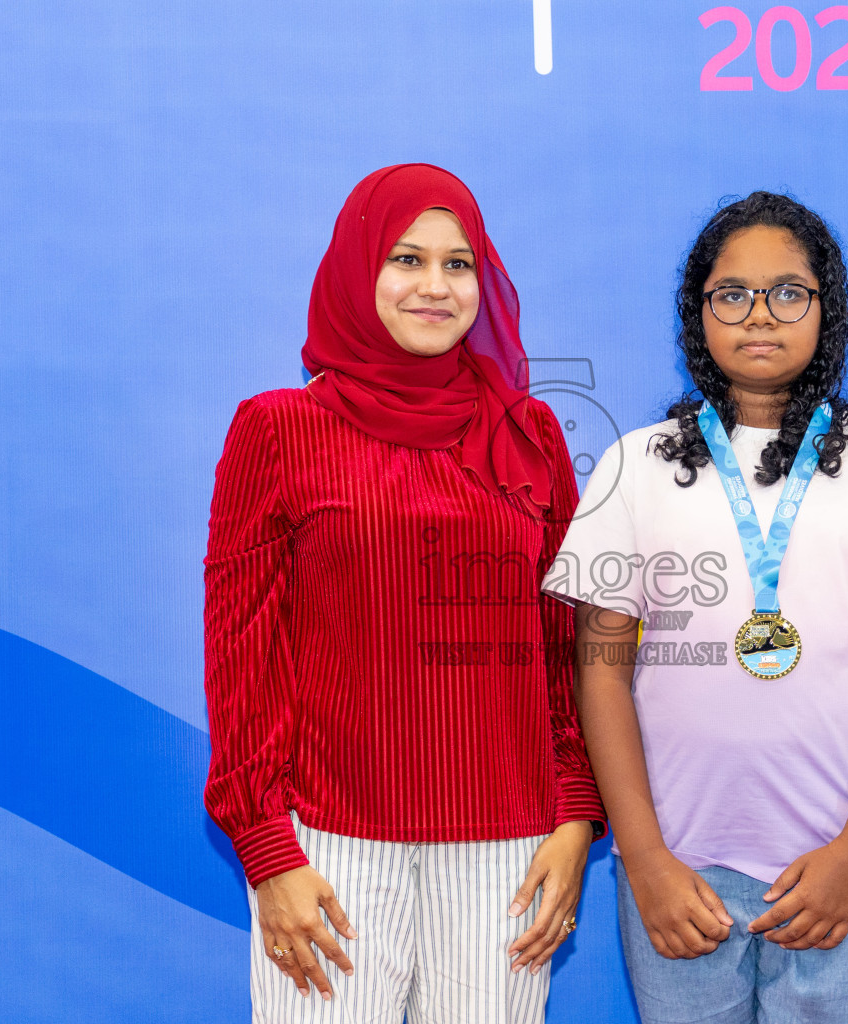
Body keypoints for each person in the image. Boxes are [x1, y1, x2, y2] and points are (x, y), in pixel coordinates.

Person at [543, 191, 848, 1024]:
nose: (762, 315)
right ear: (698, 314)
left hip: (843, 873)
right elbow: (599, 670)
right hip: (679, 874)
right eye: (733, 295)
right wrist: (642, 857)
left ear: (829, 310)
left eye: (790, 292)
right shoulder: (631, 467)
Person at [203, 163, 604, 1024]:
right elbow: (241, 652)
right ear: (357, 271)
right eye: (406, 259)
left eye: (459, 264)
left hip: (510, 847)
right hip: (328, 847)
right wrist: (268, 849)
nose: (434, 286)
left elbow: (564, 645)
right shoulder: (276, 429)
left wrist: (575, 815)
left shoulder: (528, 433)